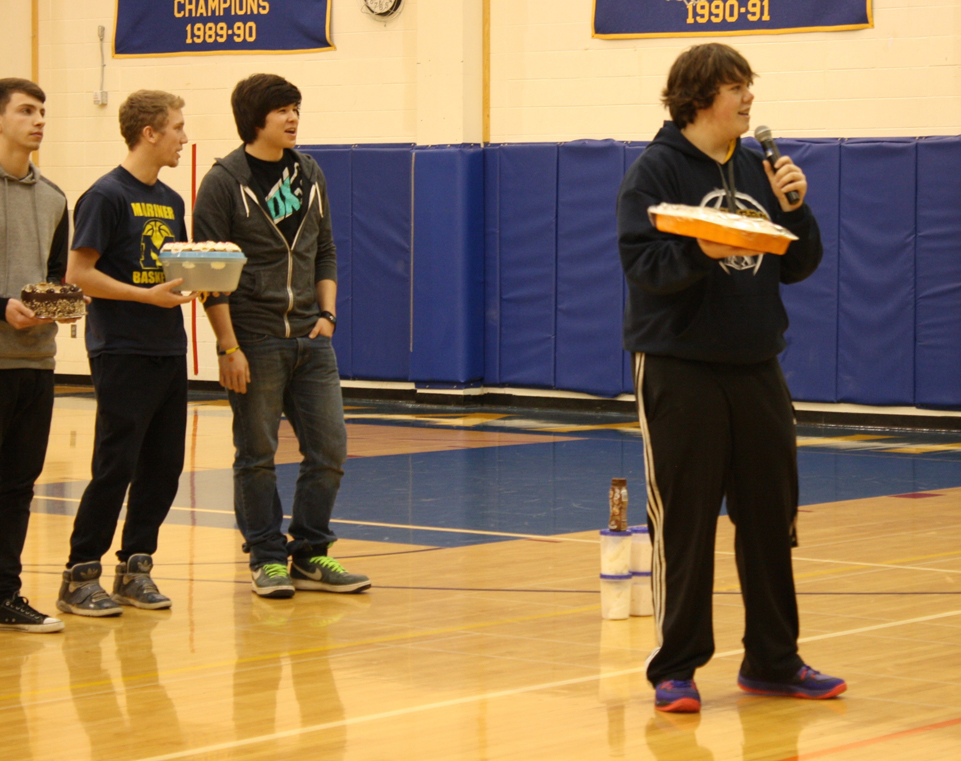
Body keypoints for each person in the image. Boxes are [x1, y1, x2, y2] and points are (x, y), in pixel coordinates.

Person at [617, 43, 845, 713]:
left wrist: (795, 210)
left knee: (770, 516)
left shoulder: (757, 167)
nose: (748, 98)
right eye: (735, 87)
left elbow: (797, 263)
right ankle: (675, 667)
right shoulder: (654, 170)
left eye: (748, 86)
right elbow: (643, 265)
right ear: (697, 97)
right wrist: (700, 248)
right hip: (678, 366)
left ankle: (773, 659)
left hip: (755, 365)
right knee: (685, 520)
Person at [193, 74, 369, 598]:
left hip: (311, 339)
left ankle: (311, 553)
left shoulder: (308, 172)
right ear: (255, 119)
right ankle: (266, 557)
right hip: (254, 338)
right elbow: (210, 273)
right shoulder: (224, 180)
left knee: (330, 450)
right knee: (257, 454)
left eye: (296, 108)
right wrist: (229, 347)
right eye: (281, 111)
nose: (292, 118)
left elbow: (327, 249)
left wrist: (328, 315)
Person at [57, 90, 195, 617]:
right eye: (178, 127)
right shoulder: (105, 196)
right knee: (117, 463)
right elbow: (79, 275)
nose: (184, 137)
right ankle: (79, 573)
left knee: (164, 465)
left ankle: (136, 566)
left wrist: (203, 278)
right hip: (121, 348)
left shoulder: (172, 200)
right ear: (149, 133)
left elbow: (169, 271)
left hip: (167, 346)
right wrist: (145, 296)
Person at [0, 78, 68, 633]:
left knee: (18, 487)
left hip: (35, 365)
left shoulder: (54, 197)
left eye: (42, 111)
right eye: (26, 110)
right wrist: (2, 307)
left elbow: (55, 276)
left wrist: (62, 303)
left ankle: (5, 594)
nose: (38, 120)